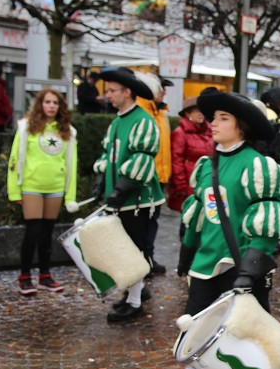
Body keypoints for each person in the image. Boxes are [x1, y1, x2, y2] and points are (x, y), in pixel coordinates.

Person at [156, 92, 280, 369]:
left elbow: (267, 221)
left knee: (249, 340)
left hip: (243, 267)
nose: (212, 123)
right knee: (194, 337)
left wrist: (249, 270)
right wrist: (186, 256)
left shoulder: (259, 166)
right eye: (212, 117)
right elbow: (198, 217)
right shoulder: (206, 165)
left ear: (241, 128)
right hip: (206, 266)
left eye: (222, 119)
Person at [90, 67, 163, 323]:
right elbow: (107, 156)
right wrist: (101, 183)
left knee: (135, 249)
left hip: (138, 200)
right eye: (107, 90)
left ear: (127, 92)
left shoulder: (143, 121)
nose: (108, 95)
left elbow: (142, 159)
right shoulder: (117, 121)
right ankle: (133, 292)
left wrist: (121, 188)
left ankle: (134, 301)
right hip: (119, 198)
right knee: (123, 249)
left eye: (112, 91)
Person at [7, 88, 78, 294]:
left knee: (47, 233)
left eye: (55, 103)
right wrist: (14, 191)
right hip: (31, 187)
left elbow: (72, 165)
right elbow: (14, 159)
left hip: (55, 187)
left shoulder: (68, 132)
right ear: (41, 104)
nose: (51, 106)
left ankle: (45, 275)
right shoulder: (26, 127)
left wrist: (70, 196)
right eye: (47, 102)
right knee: (33, 231)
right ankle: (25, 276)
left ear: (60, 107)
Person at [135, 73, 171, 275]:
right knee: (143, 222)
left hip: (159, 177)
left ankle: (149, 257)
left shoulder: (162, 114)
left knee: (153, 221)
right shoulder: (142, 112)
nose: (163, 93)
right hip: (146, 177)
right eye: (160, 88)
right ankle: (142, 259)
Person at [168, 96, 214, 221]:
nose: (201, 114)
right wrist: (181, 186)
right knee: (189, 218)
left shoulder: (209, 130)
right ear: (188, 114)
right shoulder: (180, 133)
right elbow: (177, 161)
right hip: (189, 183)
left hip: (206, 181)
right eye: (196, 111)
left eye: (202, 111)